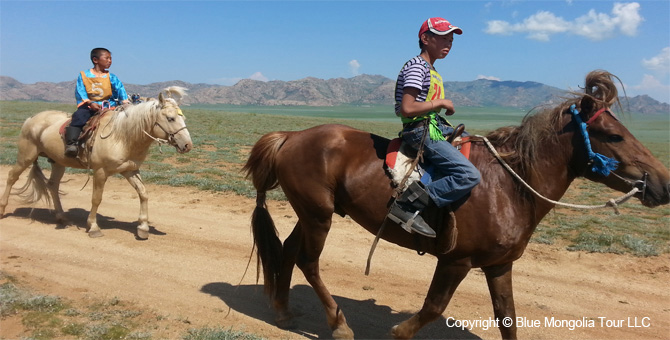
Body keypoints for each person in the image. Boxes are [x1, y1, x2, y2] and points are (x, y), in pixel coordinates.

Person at [388, 17, 481, 238]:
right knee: (468, 174)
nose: (448, 44)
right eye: (442, 39)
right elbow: (407, 108)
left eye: (450, 40)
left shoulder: (431, 70)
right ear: (425, 39)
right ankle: (407, 205)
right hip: (419, 131)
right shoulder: (417, 67)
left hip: (434, 127)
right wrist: (440, 103)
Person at [65, 47, 130, 157]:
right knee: (79, 117)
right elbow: (81, 91)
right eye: (107, 58)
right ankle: (72, 144)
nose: (110, 61)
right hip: (89, 106)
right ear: (95, 60)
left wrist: (125, 102)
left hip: (109, 106)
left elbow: (120, 89)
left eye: (111, 58)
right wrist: (90, 103)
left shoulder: (112, 77)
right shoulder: (84, 75)